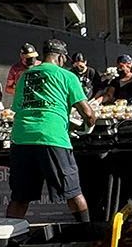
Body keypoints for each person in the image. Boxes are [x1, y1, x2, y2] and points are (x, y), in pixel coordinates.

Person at [6, 39, 99, 222]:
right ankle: (86, 234)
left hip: (21, 138)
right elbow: (88, 114)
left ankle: (10, 241)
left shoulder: (25, 76)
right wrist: (87, 127)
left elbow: (19, 108)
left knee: (20, 198)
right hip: (52, 137)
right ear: (62, 57)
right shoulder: (67, 76)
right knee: (73, 192)